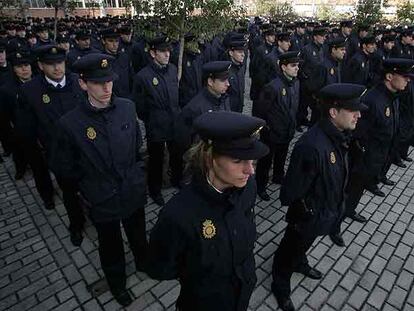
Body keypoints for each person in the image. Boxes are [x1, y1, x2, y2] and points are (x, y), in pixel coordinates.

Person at [147, 111, 269, 311]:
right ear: (210, 158)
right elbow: (161, 268)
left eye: (251, 160)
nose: (250, 170)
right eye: (238, 161)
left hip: (241, 294)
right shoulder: (178, 215)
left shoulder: (247, 187)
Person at [55, 53, 147, 307]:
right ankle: (117, 284)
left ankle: (143, 262)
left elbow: (137, 145)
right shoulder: (70, 123)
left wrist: (138, 174)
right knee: (111, 246)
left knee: (138, 233)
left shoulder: (127, 107)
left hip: (131, 188)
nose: (106, 87)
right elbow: (66, 168)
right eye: (97, 82)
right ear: (83, 84)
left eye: (109, 81)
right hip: (102, 197)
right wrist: (88, 189)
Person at [271, 83, 367, 311]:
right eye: (353, 110)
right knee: (289, 250)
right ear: (334, 112)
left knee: (303, 246)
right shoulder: (311, 145)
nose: (359, 114)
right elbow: (291, 191)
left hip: (323, 214)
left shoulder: (338, 135)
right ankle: (280, 284)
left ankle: (300, 262)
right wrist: (305, 213)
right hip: (306, 217)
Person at [15, 44, 85, 246]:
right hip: (60, 154)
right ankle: (77, 225)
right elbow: (27, 131)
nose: (57, 68)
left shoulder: (77, 81)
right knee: (70, 194)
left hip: (86, 149)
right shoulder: (30, 91)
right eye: (50, 64)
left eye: (60, 62)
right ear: (40, 65)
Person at [345, 59, 414, 221]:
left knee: (359, 188)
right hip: (364, 159)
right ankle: (337, 222)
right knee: (352, 188)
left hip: (379, 156)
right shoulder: (372, 100)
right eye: (404, 76)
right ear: (389, 76)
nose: (408, 80)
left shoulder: (393, 95)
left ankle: (349, 209)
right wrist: (363, 160)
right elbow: (357, 136)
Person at [132, 34, 182, 206]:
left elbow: (177, 95)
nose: (167, 54)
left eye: (168, 51)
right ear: (153, 53)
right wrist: (153, 119)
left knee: (176, 154)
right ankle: (155, 190)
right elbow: (140, 107)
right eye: (162, 51)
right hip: (156, 125)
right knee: (156, 160)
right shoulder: (142, 76)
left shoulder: (173, 69)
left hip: (174, 121)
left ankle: (176, 179)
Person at [255, 51, 300, 200]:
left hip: (286, 131)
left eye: (297, 65)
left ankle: (278, 177)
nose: (297, 68)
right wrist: (266, 129)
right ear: (283, 67)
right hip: (272, 133)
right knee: (265, 162)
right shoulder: (272, 87)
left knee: (281, 156)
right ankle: (260, 186)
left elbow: (294, 107)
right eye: (293, 65)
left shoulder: (295, 83)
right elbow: (261, 111)